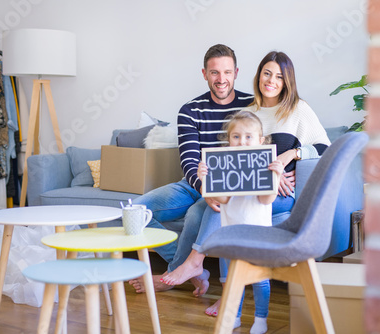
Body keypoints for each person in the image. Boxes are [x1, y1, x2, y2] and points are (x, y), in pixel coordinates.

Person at [161, 50, 331, 316]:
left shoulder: (298, 109)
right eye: (267, 73)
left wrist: (291, 155)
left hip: (278, 191)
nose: (271, 80)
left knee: (223, 211)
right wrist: (210, 177)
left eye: (279, 76)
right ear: (258, 75)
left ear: (287, 81)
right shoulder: (247, 111)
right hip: (244, 190)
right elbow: (233, 155)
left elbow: (324, 147)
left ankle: (197, 264)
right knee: (210, 208)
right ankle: (228, 292)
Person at [128, 44, 253, 294]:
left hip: (228, 187)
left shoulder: (251, 106)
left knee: (197, 214)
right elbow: (189, 160)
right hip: (193, 184)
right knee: (133, 212)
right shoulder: (189, 110)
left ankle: (173, 274)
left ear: (236, 72)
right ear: (204, 73)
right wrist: (204, 188)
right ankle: (191, 268)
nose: (221, 79)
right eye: (215, 72)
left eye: (227, 72)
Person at [199, 110, 284, 333]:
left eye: (248, 137)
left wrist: (276, 175)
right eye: (236, 136)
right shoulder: (224, 165)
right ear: (228, 141)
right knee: (234, 279)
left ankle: (260, 319)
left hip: (258, 234)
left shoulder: (265, 166)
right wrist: (206, 179)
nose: (242, 141)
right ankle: (235, 316)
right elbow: (223, 198)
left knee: (260, 279)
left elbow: (266, 199)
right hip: (232, 234)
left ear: (260, 141)